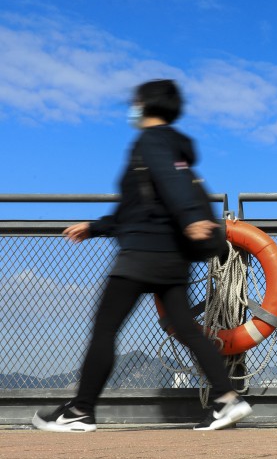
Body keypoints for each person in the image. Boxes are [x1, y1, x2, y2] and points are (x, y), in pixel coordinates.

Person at [32, 79, 253, 433]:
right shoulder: (173, 146)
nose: (132, 107)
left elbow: (170, 181)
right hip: (172, 259)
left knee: (105, 329)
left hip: (141, 255)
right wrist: (95, 227)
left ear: (147, 104)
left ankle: (80, 411)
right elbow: (139, 205)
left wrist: (191, 217)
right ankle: (227, 399)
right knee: (189, 330)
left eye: (135, 101)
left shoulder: (152, 141)